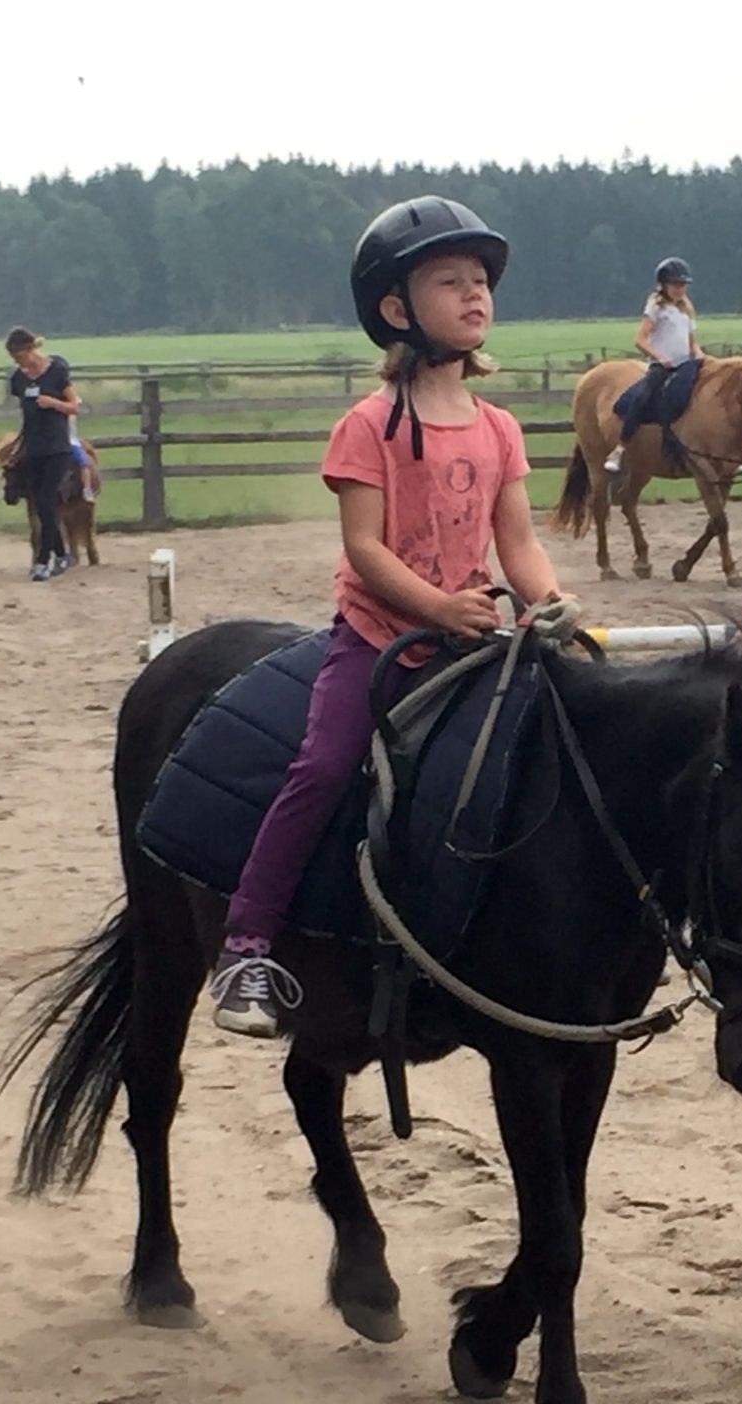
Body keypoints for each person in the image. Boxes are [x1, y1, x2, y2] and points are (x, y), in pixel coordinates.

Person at [208, 196, 571, 1039]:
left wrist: (551, 606)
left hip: (474, 639)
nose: (475, 295)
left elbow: (517, 546)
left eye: (481, 281)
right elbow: (366, 551)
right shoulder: (366, 426)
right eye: (451, 282)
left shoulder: (500, 426)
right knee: (325, 766)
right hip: (378, 640)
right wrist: (439, 606)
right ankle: (248, 942)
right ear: (397, 310)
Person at [603, 256, 705, 476]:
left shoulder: (686, 310)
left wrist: (700, 357)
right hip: (663, 367)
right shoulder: (656, 308)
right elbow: (640, 339)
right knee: (642, 397)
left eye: (683, 284)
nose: (680, 289)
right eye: (676, 284)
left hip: (686, 365)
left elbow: (692, 342)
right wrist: (659, 358)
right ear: (664, 285)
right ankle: (620, 448)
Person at [5, 328, 79, 579]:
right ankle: (61, 554)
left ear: (30, 350)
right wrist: (19, 445)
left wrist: (53, 403)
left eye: (20, 356)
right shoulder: (18, 379)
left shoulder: (56, 372)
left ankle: (42, 562)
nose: (19, 362)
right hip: (33, 448)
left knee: (47, 501)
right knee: (40, 505)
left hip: (56, 447)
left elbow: (74, 406)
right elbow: (26, 416)